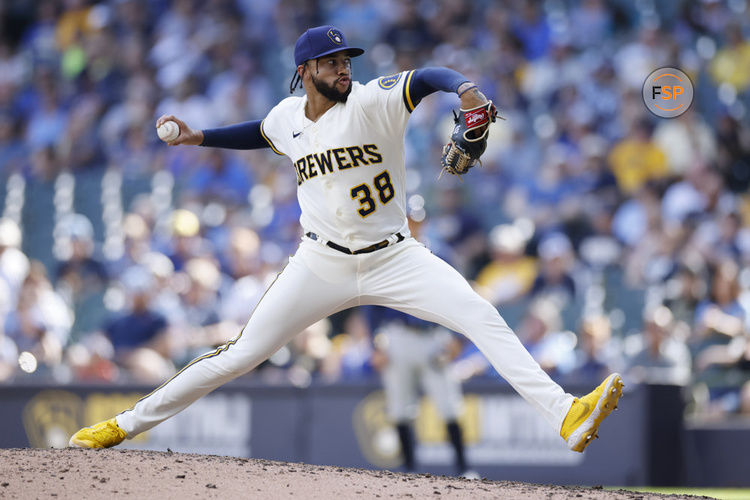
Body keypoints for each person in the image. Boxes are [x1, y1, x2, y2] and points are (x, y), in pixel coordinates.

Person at [69, 25, 622, 453]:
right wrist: (200, 138)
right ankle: (123, 425)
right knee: (238, 355)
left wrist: (467, 90)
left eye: (345, 60)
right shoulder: (288, 117)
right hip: (321, 262)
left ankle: (566, 416)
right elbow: (258, 134)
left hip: (396, 256)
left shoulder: (373, 100)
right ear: (305, 70)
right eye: (332, 62)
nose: (343, 68)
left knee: (481, 315)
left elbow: (426, 77)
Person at [368, 306, 473, 476]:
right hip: (398, 336)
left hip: (435, 336)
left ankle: (464, 468)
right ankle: (409, 469)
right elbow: (372, 303)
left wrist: (458, 337)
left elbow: (453, 294)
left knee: (450, 407)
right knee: (400, 409)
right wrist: (375, 342)